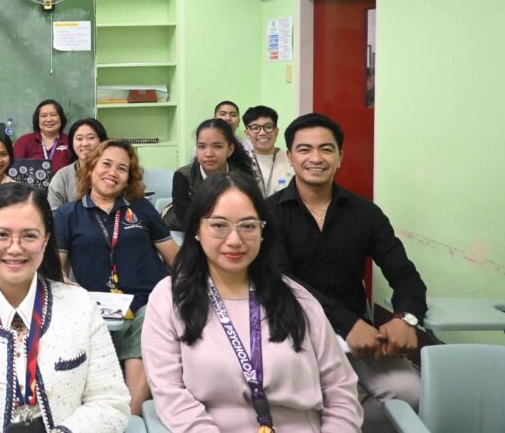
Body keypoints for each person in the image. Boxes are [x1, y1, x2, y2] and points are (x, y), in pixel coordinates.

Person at [142, 172, 362, 432]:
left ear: (262, 231)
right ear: (197, 230)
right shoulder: (169, 298)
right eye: (219, 225)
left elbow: (340, 390)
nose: (235, 240)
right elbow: (171, 395)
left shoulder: (297, 298)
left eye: (248, 226)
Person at [0, 182, 131, 432]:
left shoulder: (80, 306)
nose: (15, 248)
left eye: (29, 235)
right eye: (2, 235)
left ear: (45, 240)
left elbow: (111, 402)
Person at [268, 113, 427, 429]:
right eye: (304, 149)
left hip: (359, 340)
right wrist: (347, 322)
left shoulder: (365, 213)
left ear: (340, 157)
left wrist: (406, 318)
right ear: (290, 156)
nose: (316, 158)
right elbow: (283, 281)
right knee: (295, 403)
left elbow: (405, 274)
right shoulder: (268, 213)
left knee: (409, 391)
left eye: (326, 149)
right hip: (292, 332)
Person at [54, 139, 179, 415]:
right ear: (91, 168)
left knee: (149, 319)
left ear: (128, 178)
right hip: (95, 307)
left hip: (146, 302)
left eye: (122, 168)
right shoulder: (67, 214)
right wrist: (68, 286)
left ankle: (130, 417)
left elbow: (175, 257)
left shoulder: (141, 208)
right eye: (106, 164)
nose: (112, 173)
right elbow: (57, 270)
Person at [171, 118, 256, 230]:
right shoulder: (183, 176)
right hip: (188, 232)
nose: (209, 154)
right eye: (202, 146)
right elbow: (186, 220)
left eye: (217, 146)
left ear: (230, 149)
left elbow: (250, 215)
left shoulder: (242, 176)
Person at [47, 118, 107, 210]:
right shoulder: (62, 176)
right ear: (72, 143)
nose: (85, 143)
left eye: (91, 138)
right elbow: (54, 212)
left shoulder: (111, 172)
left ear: (102, 141)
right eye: (79, 139)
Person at [243, 105, 293, 197]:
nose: (262, 133)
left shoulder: (291, 159)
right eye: (255, 128)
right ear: (247, 133)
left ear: (277, 131)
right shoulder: (241, 161)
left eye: (268, 127)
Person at [14, 99, 71, 174]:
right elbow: (16, 171)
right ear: (37, 120)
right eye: (43, 116)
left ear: (61, 118)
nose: (49, 119)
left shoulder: (70, 142)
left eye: (53, 115)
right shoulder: (23, 142)